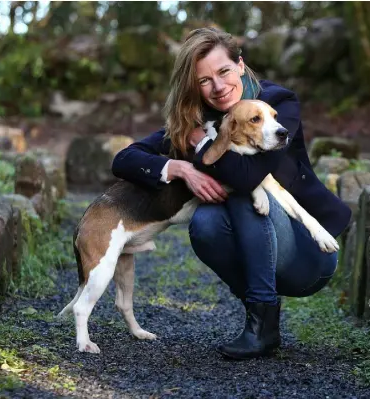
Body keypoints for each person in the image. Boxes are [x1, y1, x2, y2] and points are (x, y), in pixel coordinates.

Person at [112, 27, 352, 360]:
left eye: (223, 71)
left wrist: (201, 146)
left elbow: (246, 176)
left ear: (240, 64)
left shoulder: (277, 105)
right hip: (260, 252)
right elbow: (124, 159)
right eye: (204, 80)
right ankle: (262, 320)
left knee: (245, 193)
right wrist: (178, 168)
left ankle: (262, 319)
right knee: (204, 224)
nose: (219, 86)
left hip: (308, 254)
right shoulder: (196, 120)